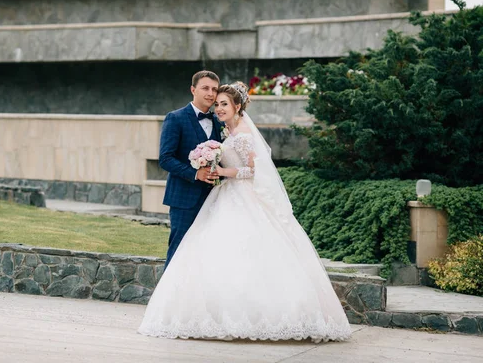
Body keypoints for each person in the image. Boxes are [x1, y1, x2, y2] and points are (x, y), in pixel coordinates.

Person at [139, 82, 352, 342]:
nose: (218, 107)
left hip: (242, 197)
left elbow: (254, 169)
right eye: (217, 103)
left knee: (249, 254)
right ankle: (206, 313)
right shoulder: (222, 130)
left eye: (223, 103)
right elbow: (167, 157)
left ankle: (255, 316)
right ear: (193, 89)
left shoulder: (241, 133)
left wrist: (223, 172)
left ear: (237, 106)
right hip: (221, 196)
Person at [159, 70, 223, 269]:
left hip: (214, 199)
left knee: (207, 253)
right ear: (193, 90)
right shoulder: (175, 118)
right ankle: (167, 299)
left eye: (214, 89)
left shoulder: (219, 122)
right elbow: (165, 158)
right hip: (184, 200)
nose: (211, 93)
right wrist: (196, 173)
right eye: (205, 88)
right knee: (179, 250)